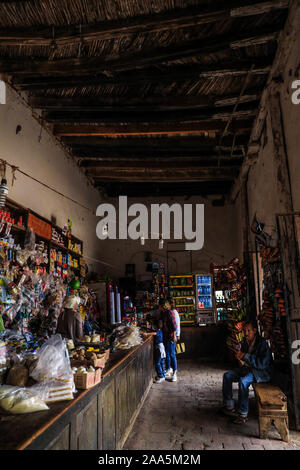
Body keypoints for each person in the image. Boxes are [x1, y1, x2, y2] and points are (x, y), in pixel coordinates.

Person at [222, 320, 273, 424]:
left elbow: (262, 364)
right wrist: (240, 360)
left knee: (243, 382)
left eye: (248, 331)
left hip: (260, 372)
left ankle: (243, 414)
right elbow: (245, 360)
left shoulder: (262, 343)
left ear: (255, 331)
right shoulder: (245, 342)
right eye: (244, 331)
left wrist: (245, 356)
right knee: (227, 376)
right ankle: (229, 406)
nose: (246, 333)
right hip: (248, 369)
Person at [160, 300, 178, 382]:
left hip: (171, 336)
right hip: (166, 336)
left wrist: (175, 336)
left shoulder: (170, 312)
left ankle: (175, 373)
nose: (159, 308)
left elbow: (174, 326)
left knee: (172, 354)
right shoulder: (163, 313)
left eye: (160, 306)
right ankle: (168, 370)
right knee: (167, 353)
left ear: (164, 306)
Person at [153, 318, 166, 384]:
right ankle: (162, 375)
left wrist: (146, 334)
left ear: (156, 326)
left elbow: (154, 333)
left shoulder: (157, 331)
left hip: (159, 349)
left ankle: (161, 376)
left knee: (158, 363)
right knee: (161, 362)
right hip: (161, 348)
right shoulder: (160, 331)